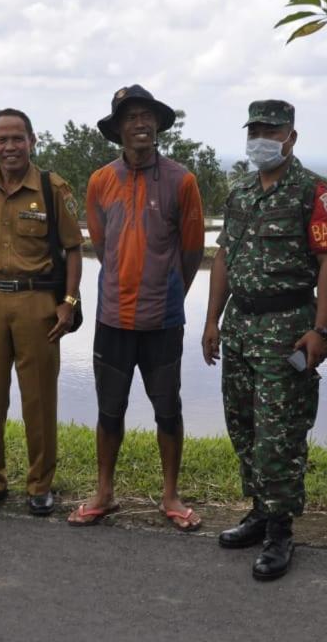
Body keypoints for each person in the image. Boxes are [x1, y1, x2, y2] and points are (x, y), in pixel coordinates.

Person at [202, 99, 327, 579]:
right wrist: (211, 321)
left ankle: (281, 530)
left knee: (278, 434)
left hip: (287, 328)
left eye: (271, 129)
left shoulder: (314, 191)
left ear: (291, 136)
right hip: (241, 325)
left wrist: (321, 330)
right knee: (242, 424)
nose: (261, 137)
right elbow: (223, 257)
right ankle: (260, 510)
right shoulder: (241, 191)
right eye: (255, 129)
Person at [67, 85, 205, 531]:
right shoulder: (100, 181)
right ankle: (104, 493)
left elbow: (191, 252)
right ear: (119, 129)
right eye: (130, 117)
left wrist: (165, 293)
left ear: (158, 124)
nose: (140, 123)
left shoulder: (182, 181)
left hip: (163, 320)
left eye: (147, 116)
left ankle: (170, 495)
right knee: (109, 410)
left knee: (168, 408)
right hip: (112, 318)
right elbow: (103, 247)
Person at [0, 108, 83, 516]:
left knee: (39, 399)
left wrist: (68, 303)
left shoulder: (52, 188)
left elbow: (73, 247)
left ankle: (39, 485)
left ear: (32, 141)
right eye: (2, 139)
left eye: (18, 138)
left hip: (38, 303)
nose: (10, 147)